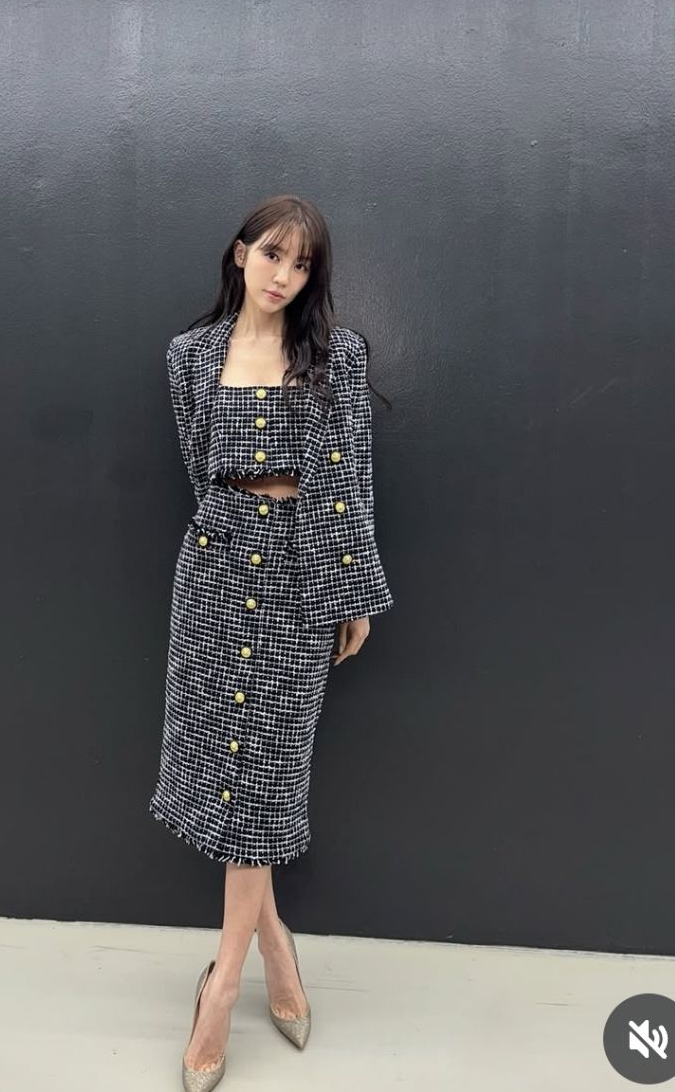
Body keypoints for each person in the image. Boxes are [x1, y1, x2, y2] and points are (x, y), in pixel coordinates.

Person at [148, 194, 395, 1090]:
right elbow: (199, 463)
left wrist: (352, 592)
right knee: (225, 763)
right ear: (240, 253)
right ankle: (275, 947)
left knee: (269, 772)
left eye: (301, 263)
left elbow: (351, 475)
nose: (283, 275)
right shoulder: (189, 356)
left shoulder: (337, 356)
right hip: (216, 568)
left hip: (302, 569)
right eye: (272, 255)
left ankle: (221, 986)